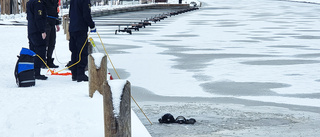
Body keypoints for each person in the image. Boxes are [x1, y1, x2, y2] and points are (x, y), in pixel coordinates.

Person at [69, 0, 95, 82]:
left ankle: (74, 73)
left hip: (72, 28)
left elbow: (70, 13)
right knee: (82, 51)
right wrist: (92, 25)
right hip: (80, 28)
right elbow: (86, 14)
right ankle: (80, 74)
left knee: (74, 51)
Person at [26, 0, 48, 80]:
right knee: (39, 50)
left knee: (33, 51)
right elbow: (38, 18)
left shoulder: (29, 2)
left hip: (31, 30)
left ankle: (32, 71)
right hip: (37, 31)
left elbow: (28, 17)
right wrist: (42, 30)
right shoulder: (38, 3)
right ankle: (37, 72)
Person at [43, 0, 61, 68]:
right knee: (45, 43)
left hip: (52, 22)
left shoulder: (55, 1)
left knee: (52, 42)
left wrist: (57, 23)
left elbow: (55, 12)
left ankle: (49, 60)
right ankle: (43, 60)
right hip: (46, 22)